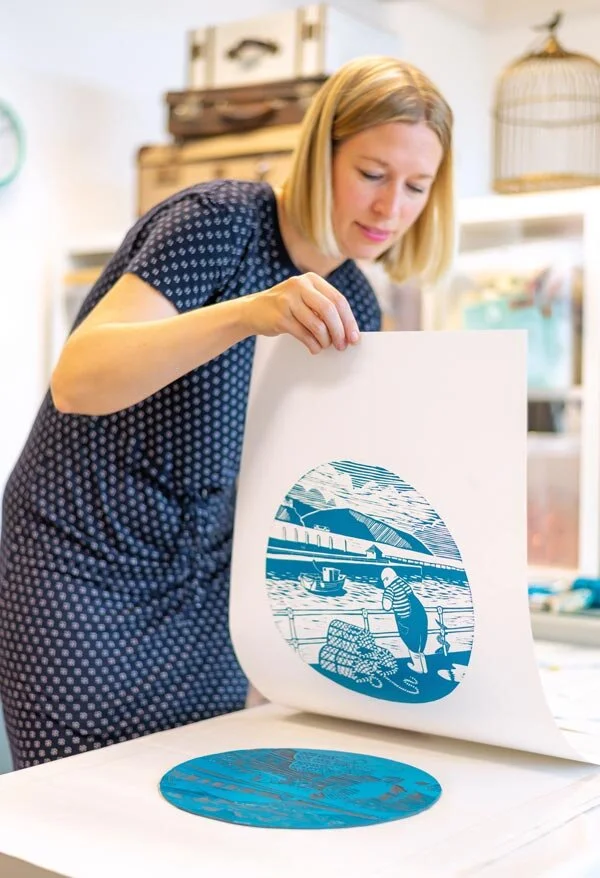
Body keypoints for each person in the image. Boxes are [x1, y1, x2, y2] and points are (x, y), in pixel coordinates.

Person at [0, 55, 454, 768]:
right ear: (319, 154)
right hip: (82, 566)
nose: (390, 207)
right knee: (77, 809)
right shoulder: (218, 224)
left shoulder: (357, 304)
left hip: (208, 589)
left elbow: (315, 481)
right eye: (372, 173)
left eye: (416, 186)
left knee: (189, 801)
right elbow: (79, 381)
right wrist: (249, 314)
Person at [381, 567, 429, 674]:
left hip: (407, 620)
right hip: (420, 616)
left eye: (383, 580)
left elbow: (387, 606)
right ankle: (424, 668)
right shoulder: (403, 583)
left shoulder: (390, 588)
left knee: (411, 642)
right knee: (420, 642)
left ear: (386, 579)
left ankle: (418, 668)